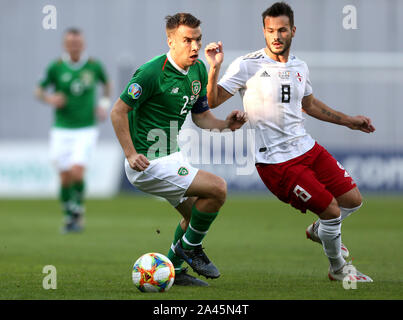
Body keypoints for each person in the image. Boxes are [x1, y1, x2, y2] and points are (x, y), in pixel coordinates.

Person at [205, 2, 375, 282]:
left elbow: (309, 104)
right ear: (264, 31)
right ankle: (339, 270)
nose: (276, 36)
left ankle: (320, 232)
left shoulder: (299, 66)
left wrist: (349, 121)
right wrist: (213, 69)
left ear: (293, 31)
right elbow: (213, 100)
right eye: (270, 30)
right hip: (276, 162)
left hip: (307, 148)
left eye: (282, 30)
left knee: (352, 201)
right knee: (331, 211)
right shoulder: (248, 65)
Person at [110, 13, 247, 287]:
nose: (194, 46)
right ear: (171, 40)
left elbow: (201, 117)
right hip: (148, 163)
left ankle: (175, 268)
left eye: (198, 39)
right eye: (187, 40)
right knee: (218, 188)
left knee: (194, 214)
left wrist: (225, 125)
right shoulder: (151, 72)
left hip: (172, 156)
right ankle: (190, 249)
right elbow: (118, 111)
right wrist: (129, 153)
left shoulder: (197, 69)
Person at [36, 28, 111, 233]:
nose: (74, 46)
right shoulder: (56, 67)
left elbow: (107, 84)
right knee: (64, 175)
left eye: (77, 43)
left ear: (83, 44)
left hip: (86, 128)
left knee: (77, 171)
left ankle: (77, 210)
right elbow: (39, 89)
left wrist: (103, 105)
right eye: (70, 43)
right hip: (61, 128)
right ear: (65, 45)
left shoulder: (94, 66)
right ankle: (70, 215)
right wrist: (50, 98)